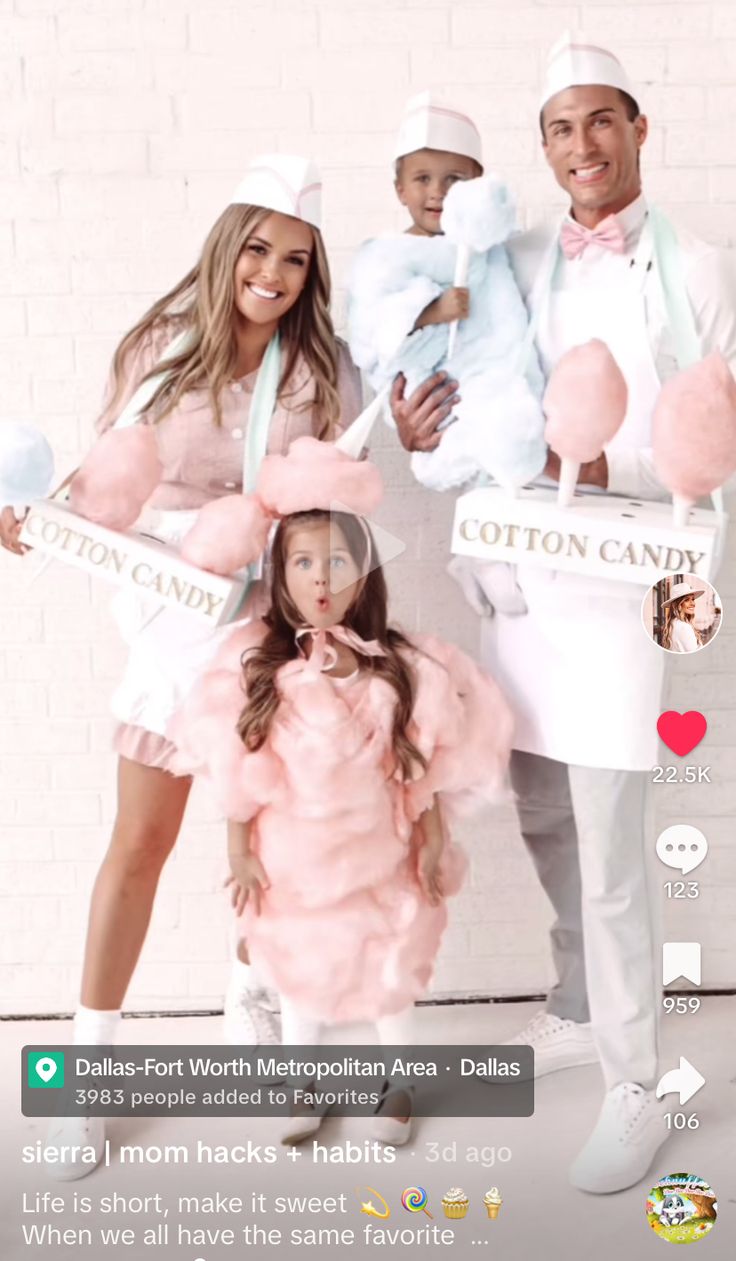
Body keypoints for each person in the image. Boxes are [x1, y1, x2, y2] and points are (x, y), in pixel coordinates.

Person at [389, 32, 736, 1194]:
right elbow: (466, 380)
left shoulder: (701, 271)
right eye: (557, 127)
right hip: (522, 571)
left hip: (624, 580)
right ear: (539, 148)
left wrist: (694, 578)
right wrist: (417, 430)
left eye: (600, 120)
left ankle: (634, 1083)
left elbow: (717, 451)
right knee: (540, 807)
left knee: (613, 848)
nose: (579, 145)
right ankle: (579, 1001)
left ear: (641, 129)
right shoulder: (517, 256)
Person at [0, 155, 363, 1179]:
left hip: (264, 627)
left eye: (295, 259)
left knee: (276, 849)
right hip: (167, 619)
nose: (273, 273)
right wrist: (33, 521)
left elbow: (323, 504)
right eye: (258, 248)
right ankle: (85, 1075)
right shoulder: (157, 349)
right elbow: (104, 476)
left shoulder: (315, 372)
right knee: (140, 846)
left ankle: (263, 1013)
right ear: (224, 247)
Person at [168, 432, 513, 1147]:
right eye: (302, 562)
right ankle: (303, 1081)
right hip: (294, 860)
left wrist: (433, 844)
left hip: (380, 858)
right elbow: (238, 772)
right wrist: (239, 850)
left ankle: (398, 1083)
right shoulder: (257, 671)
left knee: (390, 966)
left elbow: (423, 773)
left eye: (337, 561)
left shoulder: (395, 668)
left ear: (364, 572)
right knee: (299, 967)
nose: (320, 579)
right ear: (281, 572)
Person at [347, 90, 546, 493]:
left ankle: (508, 446)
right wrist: (432, 310)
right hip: (434, 386)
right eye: (422, 179)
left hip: (495, 380)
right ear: (400, 188)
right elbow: (373, 332)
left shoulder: (494, 251)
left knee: (508, 422)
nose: (437, 192)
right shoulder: (387, 256)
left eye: (454, 179)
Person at [659, 582, 704, 653]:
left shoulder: (673, 623)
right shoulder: (684, 627)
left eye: (693, 599)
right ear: (678, 605)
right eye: (686, 600)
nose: (693, 603)